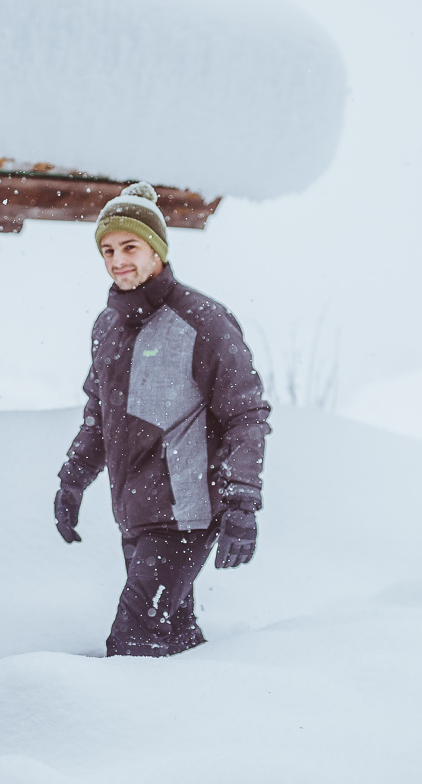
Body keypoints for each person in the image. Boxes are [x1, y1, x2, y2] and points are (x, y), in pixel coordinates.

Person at [53, 182, 270, 657]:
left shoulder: (204, 320)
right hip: (134, 512)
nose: (117, 260)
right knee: (175, 640)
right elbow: (98, 416)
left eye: (129, 246)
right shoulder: (107, 327)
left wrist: (242, 505)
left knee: (132, 641)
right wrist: (72, 481)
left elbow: (247, 416)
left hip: (186, 514)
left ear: (157, 249)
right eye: (107, 250)